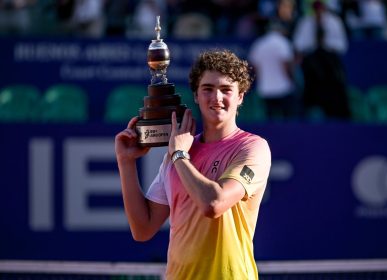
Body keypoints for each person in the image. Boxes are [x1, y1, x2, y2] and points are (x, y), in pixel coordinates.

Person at [115, 49, 271, 279]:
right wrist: (126, 162)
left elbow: (214, 204)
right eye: (207, 89)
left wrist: (179, 154)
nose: (216, 98)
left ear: (240, 96)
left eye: (226, 90)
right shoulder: (177, 155)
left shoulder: (253, 148)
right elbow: (142, 229)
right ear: (196, 95)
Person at [248, 20, 299, 121]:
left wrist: (261, 81)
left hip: (265, 89)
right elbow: (286, 66)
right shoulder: (283, 43)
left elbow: (254, 67)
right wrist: (293, 81)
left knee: (270, 119)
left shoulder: (259, 44)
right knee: (287, 120)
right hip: (284, 88)